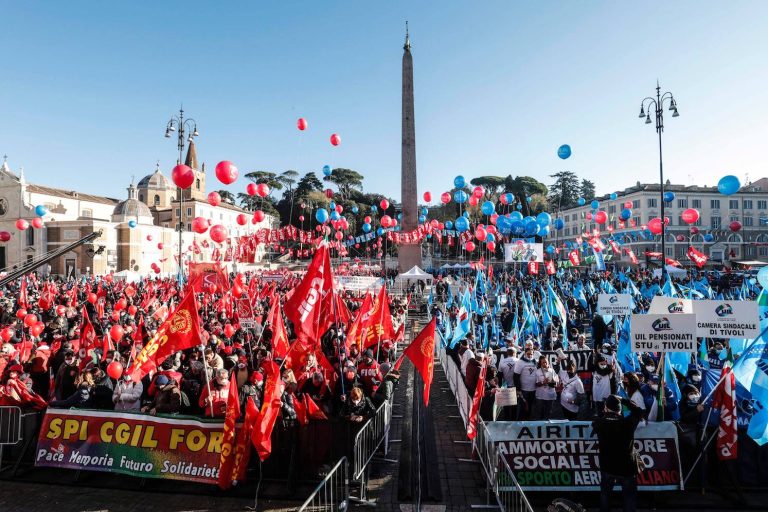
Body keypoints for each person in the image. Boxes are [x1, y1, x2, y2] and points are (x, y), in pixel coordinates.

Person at [592, 394, 644, 512]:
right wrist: (623, 400)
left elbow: (598, 416)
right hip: (626, 468)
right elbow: (638, 411)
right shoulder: (628, 423)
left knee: (605, 495)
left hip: (607, 467)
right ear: (619, 410)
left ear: (606, 408)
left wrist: (606, 409)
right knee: (629, 498)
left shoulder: (599, 423)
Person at [533, 355, 558, 420]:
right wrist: (543, 382)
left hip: (550, 396)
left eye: (546, 362)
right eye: (543, 362)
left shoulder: (552, 370)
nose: (545, 364)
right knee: (540, 413)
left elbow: (557, 381)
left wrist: (553, 382)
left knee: (549, 413)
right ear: (540, 363)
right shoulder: (537, 371)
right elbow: (536, 384)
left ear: (548, 362)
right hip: (541, 396)